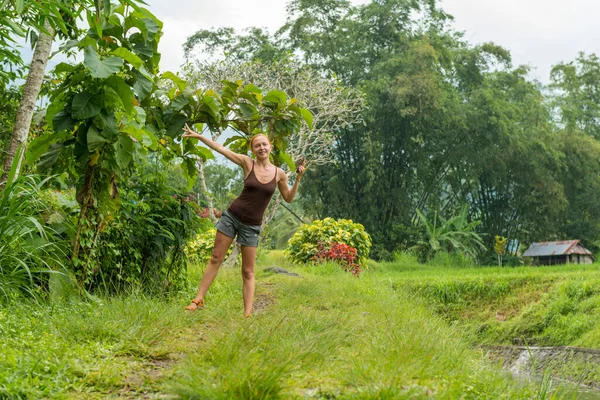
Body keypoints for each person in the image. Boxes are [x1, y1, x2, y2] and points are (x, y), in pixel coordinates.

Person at [182, 124, 305, 317]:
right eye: (257, 146)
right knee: (216, 257)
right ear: (252, 150)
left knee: (248, 272)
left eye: (264, 144)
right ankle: (198, 300)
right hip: (232, 217)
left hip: (252, 226)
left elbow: (288, 198)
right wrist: (198, 136)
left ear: (270, 146)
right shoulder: (248, 163)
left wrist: (297, 178)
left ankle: (247, 315)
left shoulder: (279, 174)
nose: (261, 148)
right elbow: (221, 149)